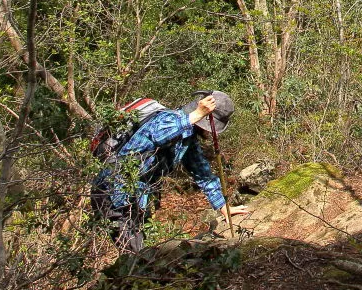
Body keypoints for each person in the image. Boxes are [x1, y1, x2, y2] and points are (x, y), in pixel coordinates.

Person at [91, 91, 249, 252]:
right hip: (113, 192)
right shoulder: (168, 119)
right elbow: (158, 135)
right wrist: (196, 115)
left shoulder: (188, 137)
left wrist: (222, 206)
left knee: (138, 249)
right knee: (134, 253)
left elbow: (202, 173)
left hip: (135, 196)